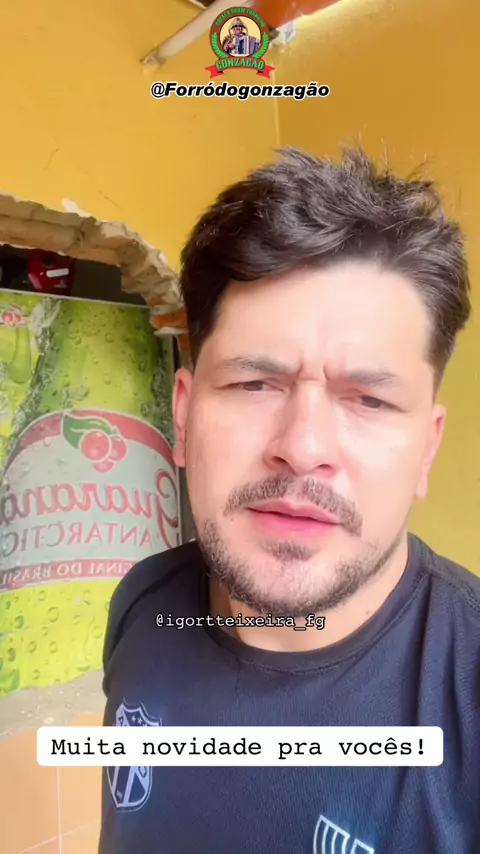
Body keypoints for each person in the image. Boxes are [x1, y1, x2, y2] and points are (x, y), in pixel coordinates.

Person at [99, 147, 480, 854]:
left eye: (369, 399)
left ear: (427, 449)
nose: (303, 448)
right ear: (182, 417)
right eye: (254, 384)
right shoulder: (143, 605)